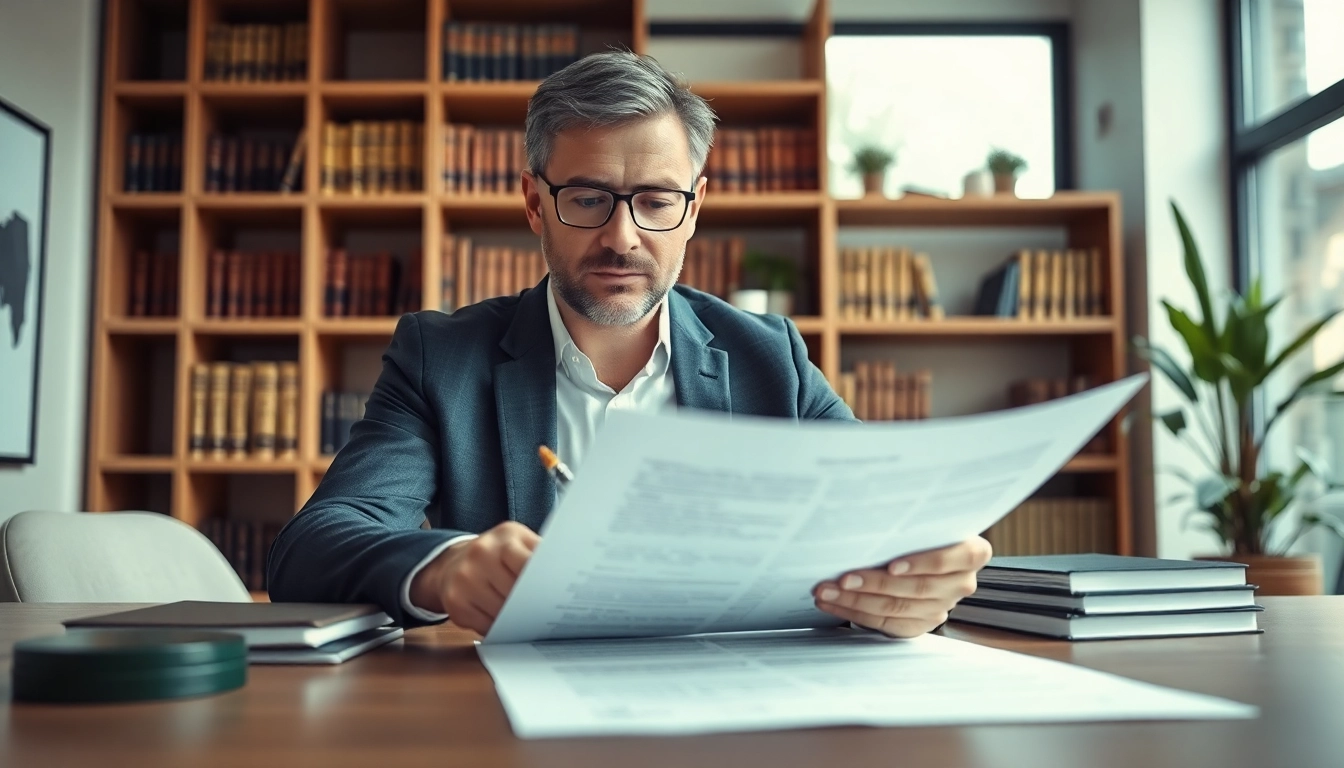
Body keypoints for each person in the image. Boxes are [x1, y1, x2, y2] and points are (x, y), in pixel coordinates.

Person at [267, 51, 991, 638]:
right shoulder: (442, 357)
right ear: (534, 204)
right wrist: (447, 566)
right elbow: (312, 546)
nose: (622, 237)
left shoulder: (772, 357)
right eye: (588, 199)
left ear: (694, 208)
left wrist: (917, 581)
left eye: (655, 200)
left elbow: (884, 525)